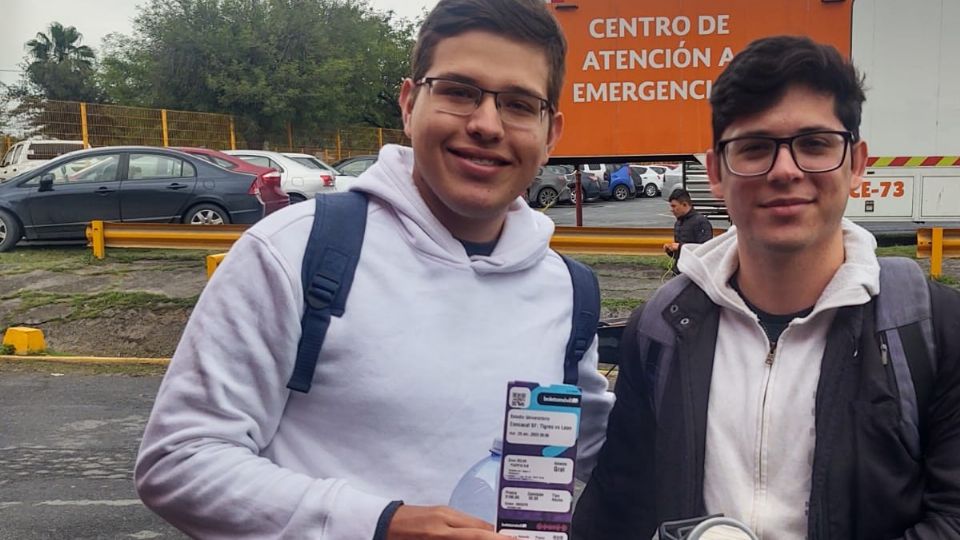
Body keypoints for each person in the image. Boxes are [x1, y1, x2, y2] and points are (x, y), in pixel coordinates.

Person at [134, 1, 614, 538]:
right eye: (459, 92)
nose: (486, 124)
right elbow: (178, 460)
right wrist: (380, 525)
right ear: (409, 105)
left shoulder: (569, 293)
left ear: (552, 133)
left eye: (520, 104)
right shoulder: (296, 251)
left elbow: (609, 463)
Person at [572, 35, 960, 539]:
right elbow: (616, 508)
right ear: (715, 172)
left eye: (815, 144)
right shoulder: (661, 329)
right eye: (754, 148)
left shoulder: (931, 329)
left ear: (857, 163)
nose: (785, 170)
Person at [663, 188, 713, 274]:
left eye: (674, 206)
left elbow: (705, 250)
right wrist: (670, 251)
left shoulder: (701, 222)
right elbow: (678, 255)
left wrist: (680, 247)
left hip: (695, 273)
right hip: (679, 271)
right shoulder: (678, 223)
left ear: (685, 204)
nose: (671, 209)